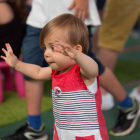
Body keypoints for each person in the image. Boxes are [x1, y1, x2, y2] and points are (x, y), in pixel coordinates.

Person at [1, 0, 140, 139]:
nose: (46, 53)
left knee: (93, 59)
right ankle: (34, 127)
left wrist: (78, 56)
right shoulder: (55, 71)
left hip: (87, 135)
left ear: (76, 50)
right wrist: (17, 65)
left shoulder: (83, 72)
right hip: (63, 133)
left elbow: (93, 69)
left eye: (52, 48)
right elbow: (37, 72)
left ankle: (128, 104)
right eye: (45, 48)